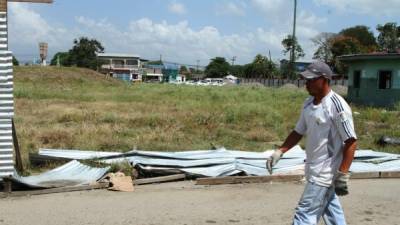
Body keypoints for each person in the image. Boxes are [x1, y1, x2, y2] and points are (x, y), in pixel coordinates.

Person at [267, 61, 357, 225]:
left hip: (324, 173)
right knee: (332, 212)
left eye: (310, 80)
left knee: (304, 215)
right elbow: (298, 132)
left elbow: (351, 141)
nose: (306, 84)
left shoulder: (337, 106)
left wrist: (343, 174)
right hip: (313, 169)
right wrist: (280, 151)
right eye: (305, 80)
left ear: (324, 79)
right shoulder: (308, 103)